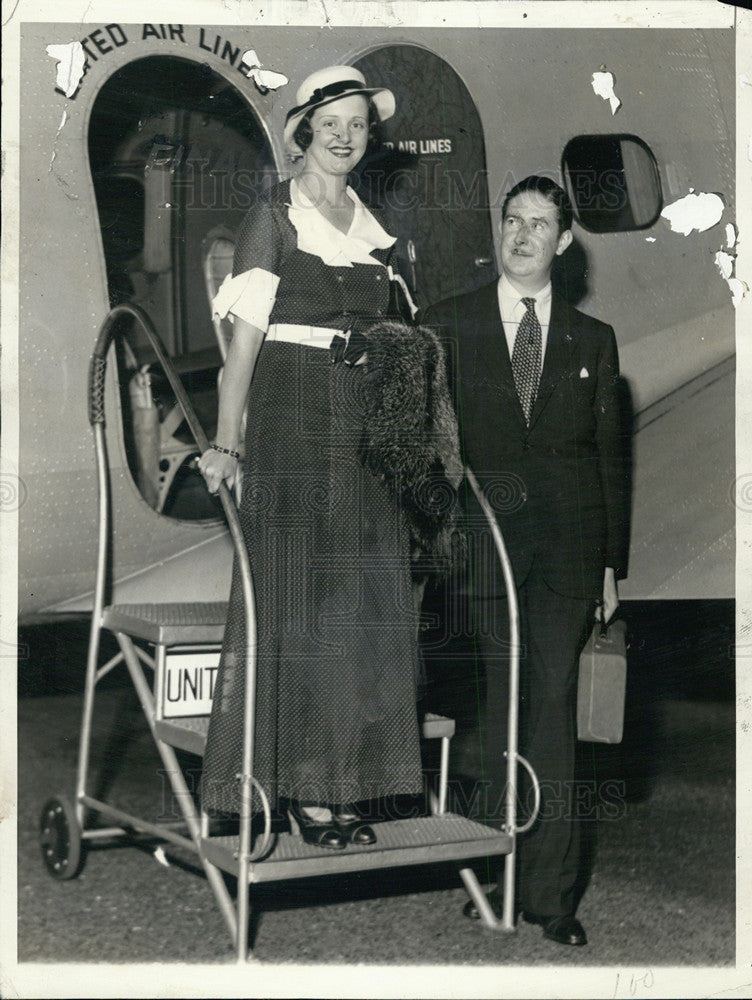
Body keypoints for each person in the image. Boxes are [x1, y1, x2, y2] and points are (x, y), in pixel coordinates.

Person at [198, 66, 461, 851]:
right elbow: (241, 345)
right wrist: (224, 440)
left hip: (366, 426)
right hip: (292, 414)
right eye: (332, 121)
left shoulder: (373, 226)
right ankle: (302, 793)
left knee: (364, 605)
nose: (346, 136)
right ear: (304, 128)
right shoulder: (273, 216)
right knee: (304, 601)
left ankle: (346, 783)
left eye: (359, 124)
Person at [422, 176, 629, 945]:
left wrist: (613, 566)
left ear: (563, 243)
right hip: (482, 554)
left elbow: (611, 459)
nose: (523, 235)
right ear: (499, 228)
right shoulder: (445, 327)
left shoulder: (592, 339)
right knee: (500, 712)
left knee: (550, 709)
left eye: (541, 224)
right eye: (514, 219)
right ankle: (494, 867)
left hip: (568, 558)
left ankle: (550, 896)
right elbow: (424, 451)